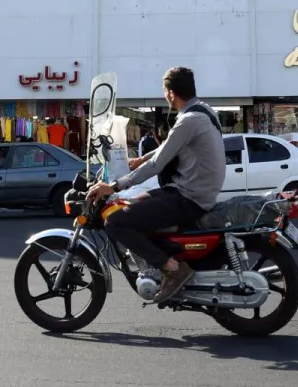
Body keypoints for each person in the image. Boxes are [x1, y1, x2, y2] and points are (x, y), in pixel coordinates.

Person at [87, 66, 224, 304]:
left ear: (171, 93)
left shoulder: (189, 120)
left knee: (117, 222)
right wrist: (140, 159)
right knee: (131, 202)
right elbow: (168, 146)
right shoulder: (203, 111)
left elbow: (158, 165)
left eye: (164, 92)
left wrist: (115, 186)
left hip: (189, 196)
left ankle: (172, 268)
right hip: (190, 190)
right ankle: (157, 261)